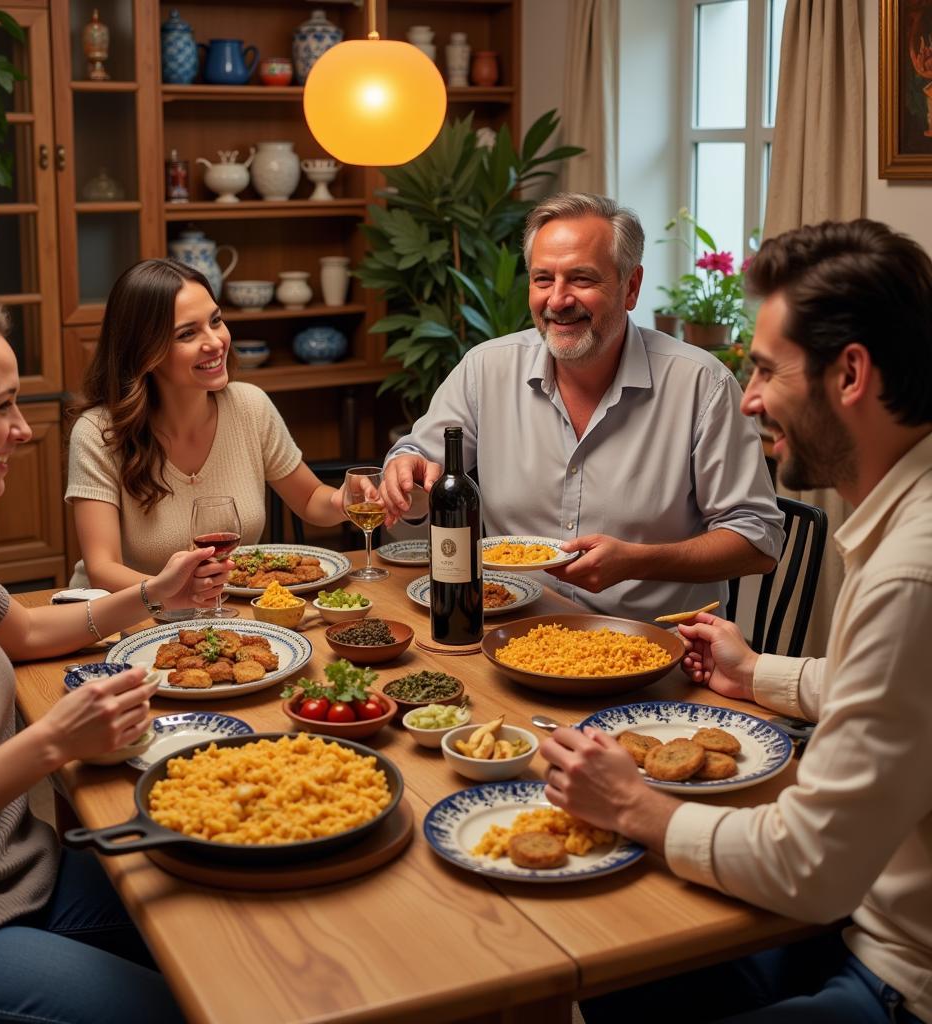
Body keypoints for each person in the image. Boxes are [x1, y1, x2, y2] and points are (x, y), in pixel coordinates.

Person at [542, 219, 932, 1023]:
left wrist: (633, 808)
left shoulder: (911, 572)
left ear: (851, 373)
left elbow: (809, 865)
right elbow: (897, 684)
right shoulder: (907, 523)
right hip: (851, 912)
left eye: (762, 371)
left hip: (895, 970)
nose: (748, 398)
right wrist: (756, 673)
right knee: (614, 968)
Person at [0, 281, 229, 1021]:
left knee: (221, 927)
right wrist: (51, 743)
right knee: (177, 1008)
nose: (25, 429)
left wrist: (157, 593)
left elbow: (21, 634)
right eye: (2, 406)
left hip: (19, 871)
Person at [380, 192, 782, 621]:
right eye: (542, 279)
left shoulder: (702, 384)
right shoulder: (486, 368)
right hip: (514, 637)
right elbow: (420, 463)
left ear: (631, 287)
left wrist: (639, 561)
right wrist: (406, 472)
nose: (557, 300)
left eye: (582, 279)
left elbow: (757, 541)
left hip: (656, 652)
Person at [67, 258, 345, 591]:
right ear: (144, 352)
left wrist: (348, 501)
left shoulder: (250, 406)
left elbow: (312, 498)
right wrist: (179, 591)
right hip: (121, 620)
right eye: (187, 333)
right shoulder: (98, 433)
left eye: (216, 320)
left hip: (219, 614)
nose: (215, 341)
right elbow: (102, 569)